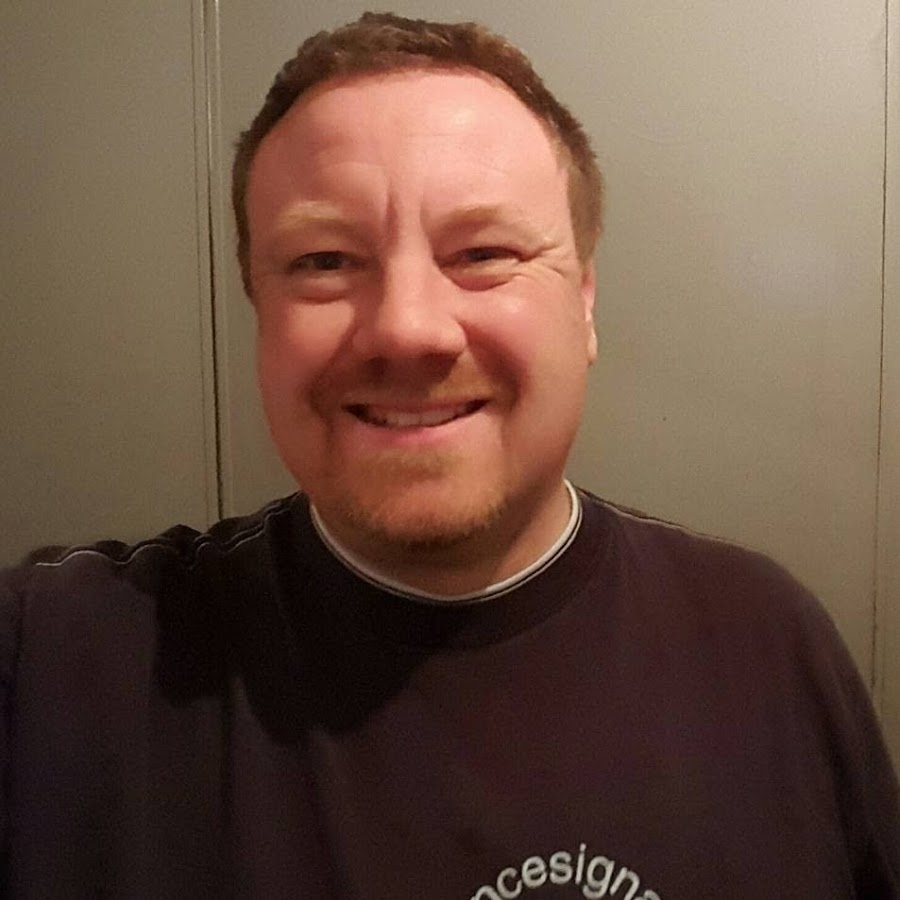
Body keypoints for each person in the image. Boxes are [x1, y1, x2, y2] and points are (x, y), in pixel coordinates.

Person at [0, 11, 897, 898]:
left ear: (584, 303)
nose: (408, 328)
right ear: (259, 312)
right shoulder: (59, 667)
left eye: (484, 252)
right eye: (323, 260)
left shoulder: (766, 648)